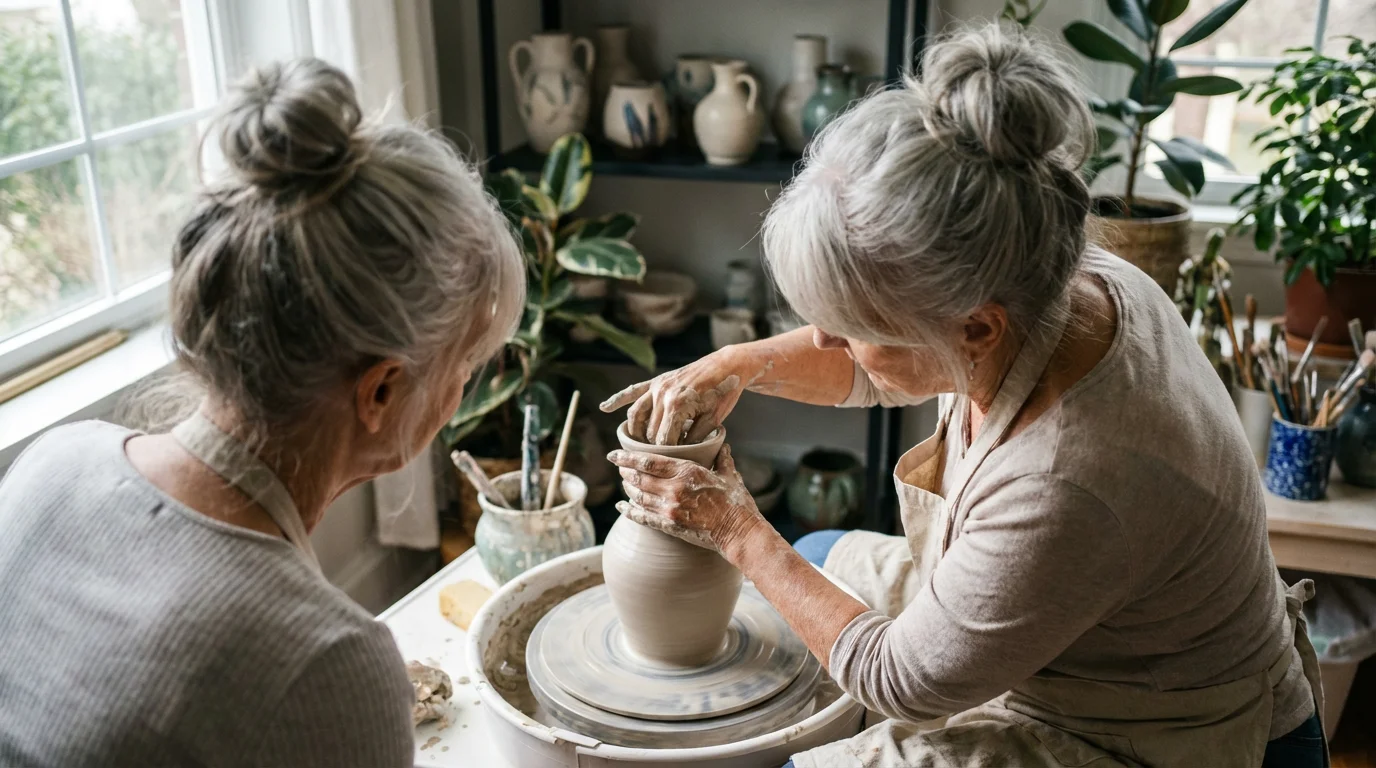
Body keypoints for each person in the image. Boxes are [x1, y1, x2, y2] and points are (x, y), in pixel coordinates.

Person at [602, 25, 1327, 768]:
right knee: (815, 552)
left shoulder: (1070, 472)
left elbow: (900, 681)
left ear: (975, 328)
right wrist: (737, 363)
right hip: (1079, 623)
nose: (820, 342)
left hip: (1147, 721)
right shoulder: (1052, 274)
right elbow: (870, 367)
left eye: (849, 326)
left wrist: (735, 529)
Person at [0, 59, 524, 767]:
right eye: (464, 366)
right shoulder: (329, 660)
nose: (464, 392)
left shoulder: (55, 461)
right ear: (379, 393)